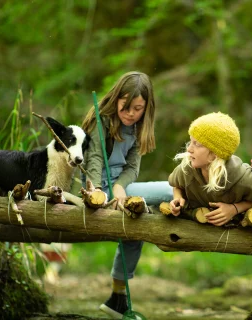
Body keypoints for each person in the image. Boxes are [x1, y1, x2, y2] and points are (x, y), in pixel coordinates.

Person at [81, 71, 172, 319]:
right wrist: (96, 191)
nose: (131, 113)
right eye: (126, 106)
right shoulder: (102, 121)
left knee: (136, 225)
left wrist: (121, 186)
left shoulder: (138, 127)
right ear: (116, 99)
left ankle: (117, 298)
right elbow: (96, 159)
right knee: (170, 189)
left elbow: (132, 168)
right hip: (97, 185)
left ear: (146, 107)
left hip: (120, 186)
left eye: (138, 108)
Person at [168, 112, 252, 226]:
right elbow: (177, 185)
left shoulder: (242, 178)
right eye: (190, 141)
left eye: (197, 144)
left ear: (216, 153)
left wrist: (234, 209)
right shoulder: (187, 169)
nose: (189, 149)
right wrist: (178, 198)